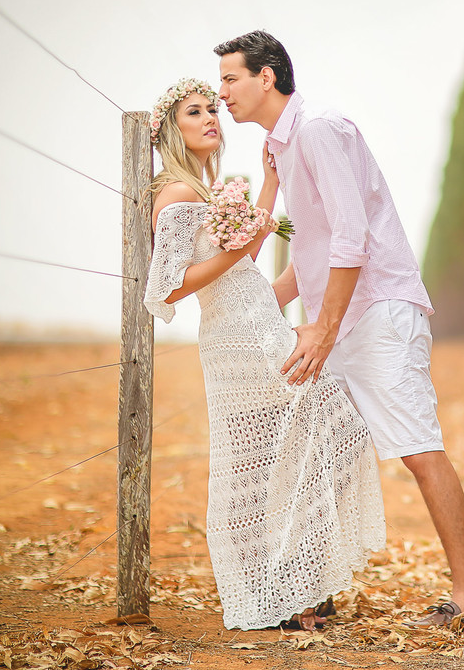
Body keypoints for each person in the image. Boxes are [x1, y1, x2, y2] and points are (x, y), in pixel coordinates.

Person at [214, 30, 464, 628]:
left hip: (379, 316)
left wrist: (321, 327)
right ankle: (315, 592)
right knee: (322, 452)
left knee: (418, 450)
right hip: (339, 321)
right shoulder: (281, 147)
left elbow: (351, 237)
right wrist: (252, 301)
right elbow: (312, 255)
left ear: (267, 77)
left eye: (231, 79)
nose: (223, 94)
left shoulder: (317, 128)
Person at [142, 77, 385, 631]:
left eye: (212, 109)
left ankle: (293, 584)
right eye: (194, 113)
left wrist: (269, 188)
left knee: (298, 449)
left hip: (261, 327)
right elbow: (170, 286)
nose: (211, 118)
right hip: (239, 341)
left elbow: (245, 250)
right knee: (299, 443)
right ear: (169, 133)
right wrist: (236, 245)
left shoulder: (208, 192)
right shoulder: (178, 196)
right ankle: (277, 592)